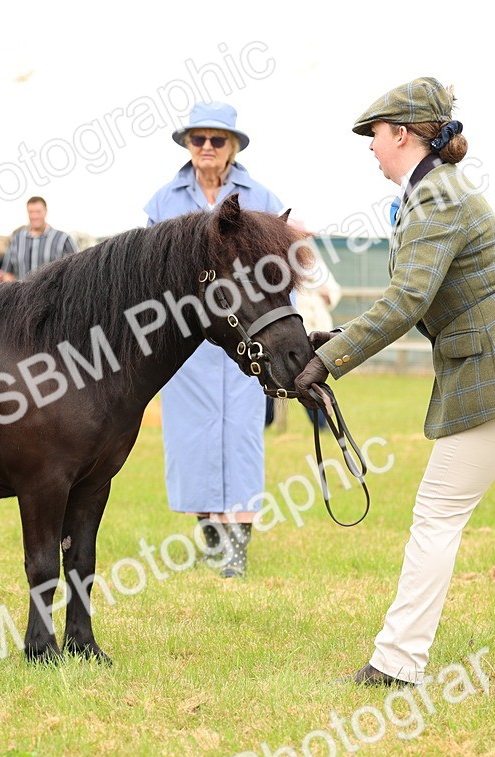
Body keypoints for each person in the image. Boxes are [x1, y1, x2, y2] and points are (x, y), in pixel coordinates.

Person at [293, 77, 495, 687]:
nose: (370, 144)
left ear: (404, 134)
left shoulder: (436, 199)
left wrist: (328, 359)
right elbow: (417, 297)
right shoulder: (437, 192)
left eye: (375, 133)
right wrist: (332, 342)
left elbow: (406, 300)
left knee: (437, 515)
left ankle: (397, 663)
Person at [142, 101, 289, 579]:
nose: (206, 148)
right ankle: (209, 535)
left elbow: (276, 263)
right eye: (198, 139)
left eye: (217, 140)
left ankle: (238, 549)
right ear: (187, 145)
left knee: (243, 437)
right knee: (192, 441)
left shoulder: (260, 195)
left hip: (244, 335)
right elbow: (147, 271)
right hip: (185, 342)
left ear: (232, 148)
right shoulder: (163, 201)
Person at [293, 265, 342, 428]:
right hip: (300, 331)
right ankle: (321, 421)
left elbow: (334, 291)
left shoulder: (316, 266)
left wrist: (326, 294)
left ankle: (321, 421)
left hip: (319, 330)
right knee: (302, 376)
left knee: (309, 377)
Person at [0, 197, 77, 281]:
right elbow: (7, 273)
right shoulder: (16, 239)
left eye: (38, 212)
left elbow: (77, 270)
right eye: (31, 212)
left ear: (45, 211)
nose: (34, 216)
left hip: (52, 293)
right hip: (22, 293)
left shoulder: (63, 239)